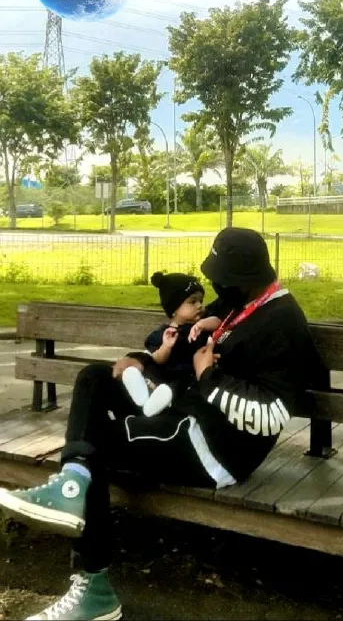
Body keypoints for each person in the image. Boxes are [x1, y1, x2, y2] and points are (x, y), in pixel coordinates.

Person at [0, 227, 321, 621]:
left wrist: (208, 377)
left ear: (244, 277)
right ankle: (73, 478)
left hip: (215, 450)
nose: (216, 286)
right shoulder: (240, 302)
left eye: (222, 278)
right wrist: (143, 360)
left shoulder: (283, 324)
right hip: (181, 412)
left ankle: (94, 587)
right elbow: (185, 341)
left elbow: (271, 417)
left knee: (97, 445)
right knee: (96, 379)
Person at [120, 270, 223, 416]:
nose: (199, 305)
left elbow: (218, 322)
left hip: (186, 377)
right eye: (192, 302)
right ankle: (144, 394)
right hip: (164, 373)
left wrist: (203, 324)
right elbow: (157, 359)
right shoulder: (164, 334)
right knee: (151, 368)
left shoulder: (200, 326)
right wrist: (166, 347)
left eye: (200, 300)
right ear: (174, 309)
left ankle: (156, 400)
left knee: (179, 385)